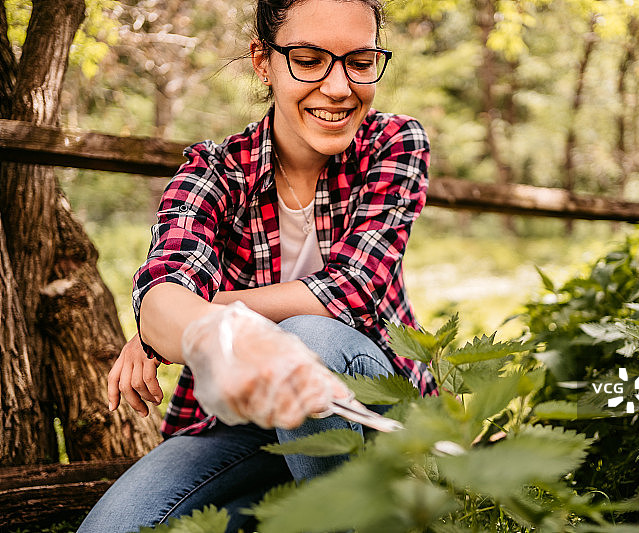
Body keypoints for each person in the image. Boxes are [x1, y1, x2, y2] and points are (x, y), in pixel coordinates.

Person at [77, 0, 433, 530]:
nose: (338, 87)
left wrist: (194, 319)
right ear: (263, 61)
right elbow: (164, 285)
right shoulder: (215, 171)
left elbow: (351, 291)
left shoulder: (393, 144)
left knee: (311, 338)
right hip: (249, 415)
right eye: (310, 59)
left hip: (373, 401)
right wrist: (168, 317)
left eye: (359, 62)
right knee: (118, 526)